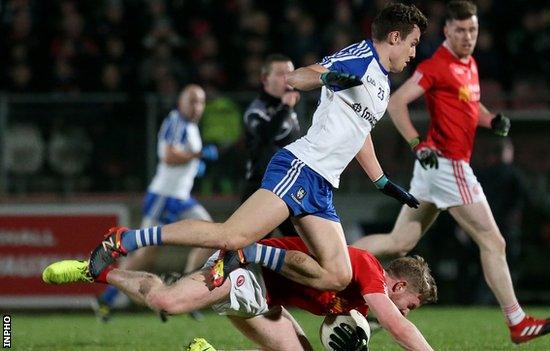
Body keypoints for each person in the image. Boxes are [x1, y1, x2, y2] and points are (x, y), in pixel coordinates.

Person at [86, 3, 427, 296]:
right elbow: (296, 78)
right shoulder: (360, 56)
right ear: (394, 37)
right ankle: (125, 239)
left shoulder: (382, 83)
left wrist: (381, 181)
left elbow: (359, 131)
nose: (414, 53)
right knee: (228, 234)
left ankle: (251, 253)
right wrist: (328, 78)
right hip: (301, 167)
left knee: (338, 275)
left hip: (323, 184)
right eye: (412, 44)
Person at [352, 1, 550, 344]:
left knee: (399, 241)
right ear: (447, 30)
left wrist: (491, 119)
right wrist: (417, 143)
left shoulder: (469, 64)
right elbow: (397, 102)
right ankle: (517, 321)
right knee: (493, 241)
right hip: (446, 164)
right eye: (461, 30)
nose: (468, 36)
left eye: (473, 31)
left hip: (436, 168)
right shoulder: (438, 65)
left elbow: (469, 103)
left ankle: (339, 268)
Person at [43, 236, 438, 350]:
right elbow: (397, 327)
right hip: (247, 268)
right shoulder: (368, 267)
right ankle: (99, 270)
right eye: (410, 306)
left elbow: (338, 317)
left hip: (267, 300)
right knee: (165, 301)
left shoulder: (360, 306)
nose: (405, 315)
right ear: (398, 285)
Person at [94, 84, 217, 322]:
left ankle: (187, 289)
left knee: (211, 236)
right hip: (164, 197)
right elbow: (169, 156)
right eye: (192, 101)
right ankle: (107, 298)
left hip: (181, 197)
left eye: (200, 102)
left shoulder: (190, 126)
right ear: (180, 102)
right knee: (145, 255)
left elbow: (179, 159)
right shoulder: (176, 122)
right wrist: (197, 156)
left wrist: (193, 167)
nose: (196, 106)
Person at [241, 54, 302, 237]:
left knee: (297, 245)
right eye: (281, 73)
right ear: (265, 79)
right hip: (260, 187)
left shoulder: (288, 107)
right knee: (247, 245)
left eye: (291, 73)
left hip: (286, 185)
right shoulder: (256, 109)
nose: (288, 78)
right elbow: (266, 135)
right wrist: (284, 108)